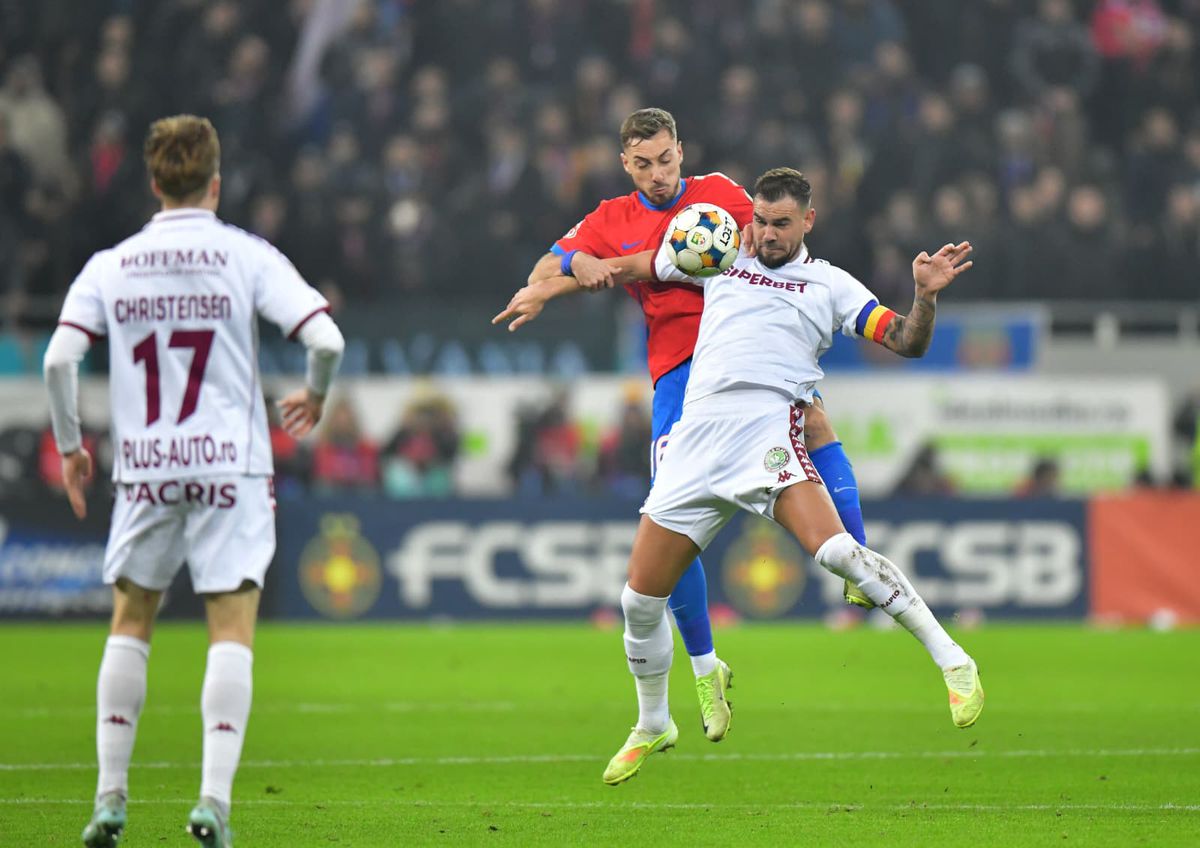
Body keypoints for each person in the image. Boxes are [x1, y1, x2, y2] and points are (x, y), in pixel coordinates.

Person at [501, 167, 984, 784]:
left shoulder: (830, 284)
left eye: (780, 223)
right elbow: (630, 267)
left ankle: (952, 659)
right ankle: (654, 722)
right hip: (697, 438)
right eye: (760, 218)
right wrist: (551, 286)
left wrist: (926, 297)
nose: (767, 233)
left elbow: (904, 341)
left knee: (839, 552)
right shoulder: (719, 252)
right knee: (638, 600)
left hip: (765, 433)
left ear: (808, 221)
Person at [507, 107, 876, 745]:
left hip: (750, 350)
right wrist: (569, 271)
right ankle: (706, 668)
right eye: (642, 164)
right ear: (625, 164)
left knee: (815, 418)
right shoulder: (608, 219)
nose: (657, 175)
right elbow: (546, 269)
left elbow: (771, 252)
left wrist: (614, 268)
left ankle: (858, 566)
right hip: (681, 374)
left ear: (682, 150)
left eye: (666, 160)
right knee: (669, 516)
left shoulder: (723, 197)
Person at [43, 115, 345, 848]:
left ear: (153, 183)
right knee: (230, 627)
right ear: (216, 181)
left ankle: (110, 799)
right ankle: (212, 803)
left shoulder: (112, 264)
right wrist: (314, 392)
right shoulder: (245, 255)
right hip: (229, 465)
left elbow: (58, 360)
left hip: (146, 465)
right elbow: (325, 337)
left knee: (131, 621)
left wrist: (71, 447)